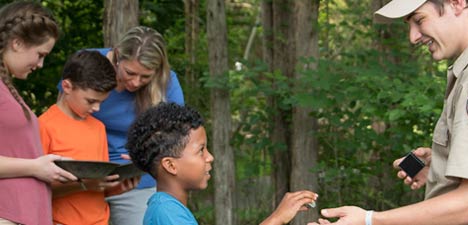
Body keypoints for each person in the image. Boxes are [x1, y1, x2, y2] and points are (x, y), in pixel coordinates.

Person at [310, 0, 468, 224]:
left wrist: (370, 220)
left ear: (457, 2)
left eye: (419, 20)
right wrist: (446, 165)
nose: (413, 37)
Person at [58, 25, 185, 225]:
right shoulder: (89, 65)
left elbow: (179, 136)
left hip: (134, 182)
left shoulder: (167, 82)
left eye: (145, 77)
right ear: (117, 56)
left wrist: (150, 154)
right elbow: (61, 116)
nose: (135, 83)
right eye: (130, 72)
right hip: (82, 176)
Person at [126, 102, 318, 225]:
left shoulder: (170, 208)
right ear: (171, 165)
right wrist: (277, 219)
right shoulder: (165, 213)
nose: (210, 157)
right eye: (201, 150)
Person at [39, 50, 140, 225]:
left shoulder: (98, 127)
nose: (97, 109)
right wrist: (83, 184)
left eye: (102, 102)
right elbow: (35, 192)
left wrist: (117, 187)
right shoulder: (44, 126)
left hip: (100, 220)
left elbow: (98, 186)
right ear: (67, 86)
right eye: (91, 101)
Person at [0, 2, 78, 225]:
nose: (41, 64)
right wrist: (36, 167)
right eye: (40, 54)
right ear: (17, 43)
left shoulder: (8, 89)